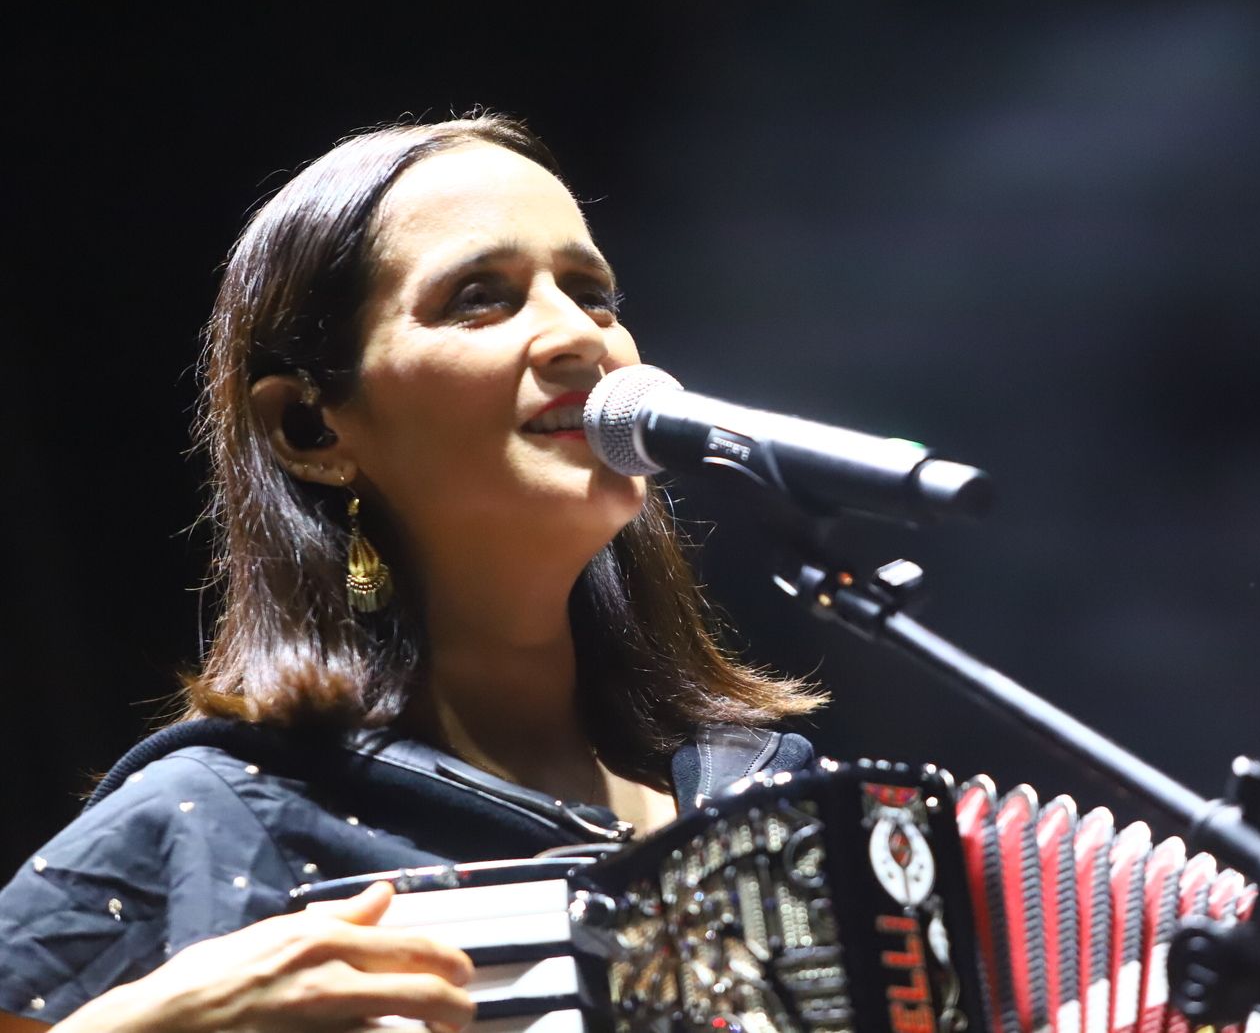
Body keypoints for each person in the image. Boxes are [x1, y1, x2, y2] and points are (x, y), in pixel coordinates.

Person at [0, 113, 823, 1031]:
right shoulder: (221, 816)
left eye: (593, 293)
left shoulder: (764, 796)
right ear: (310, 429)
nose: (578, 337)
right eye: (481, 296)